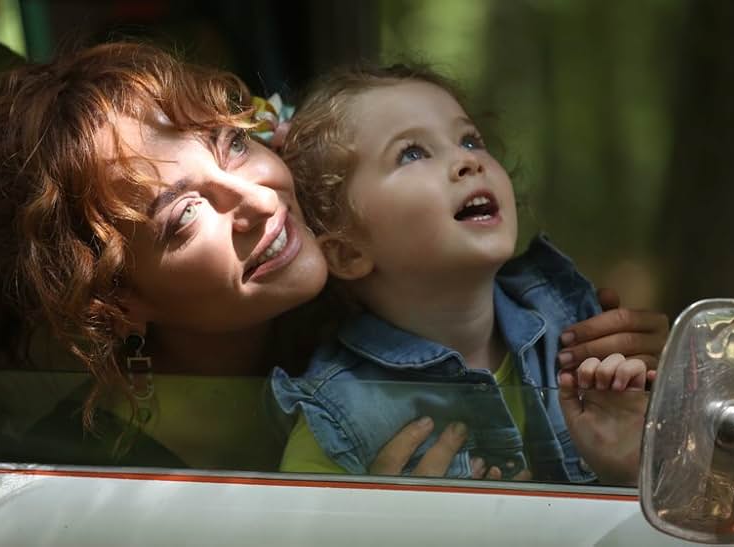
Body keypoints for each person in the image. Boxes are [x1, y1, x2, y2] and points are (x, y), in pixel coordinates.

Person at [0, 42, 666, 476]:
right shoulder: (86, 477)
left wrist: (630, 370)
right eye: (185, 215)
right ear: (115, 303)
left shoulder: (410, 300)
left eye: (232, 144)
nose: (260, 200)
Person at [271, 63, 658, 485]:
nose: (467, 160)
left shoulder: (580, 337)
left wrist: (632, 470)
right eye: (412, 153)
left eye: (470, 139)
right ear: (347, 252)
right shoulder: (335, 418)